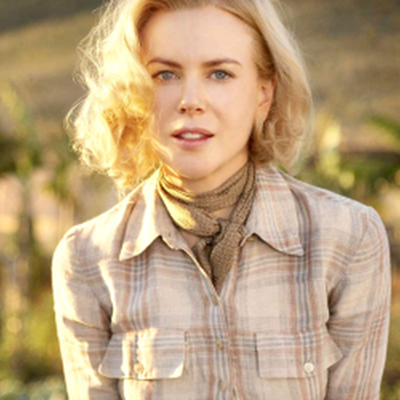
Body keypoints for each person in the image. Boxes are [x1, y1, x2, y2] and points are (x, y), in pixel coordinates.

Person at [52, 0, 391, 399]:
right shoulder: (87, 260)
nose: (190, 100)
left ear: (264, 93)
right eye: (164, 74)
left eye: (219, 73)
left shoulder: (348, 239)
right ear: (133, 93)